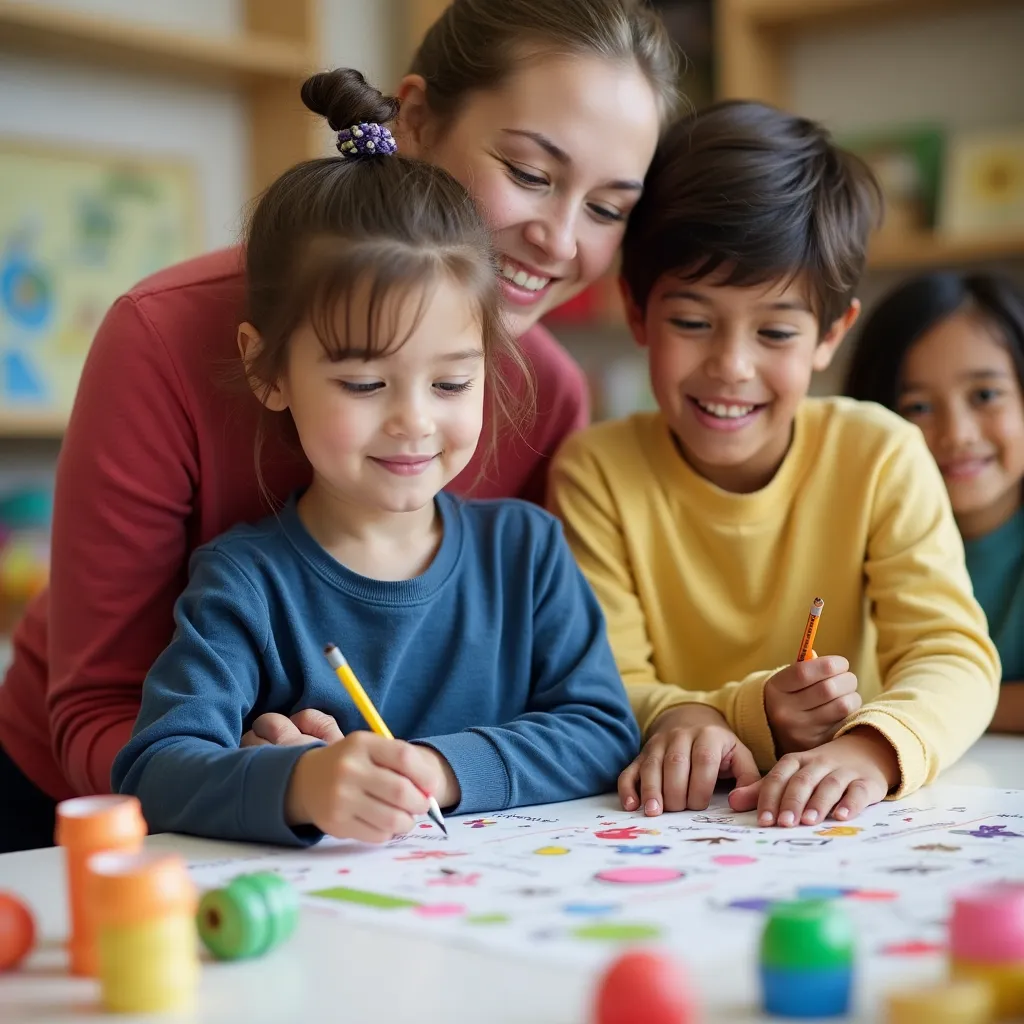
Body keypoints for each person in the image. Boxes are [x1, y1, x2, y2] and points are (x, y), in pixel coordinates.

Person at [0, 0, 676, 852]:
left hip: (396, 844)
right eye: (531, 173)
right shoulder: (162, 339)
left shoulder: (548, 396)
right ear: (418, 119)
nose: (560, 239)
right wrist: (259, 781)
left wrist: (424, 769)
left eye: (609, 209)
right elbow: (113, 718)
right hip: (87, 804)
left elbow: (565, 700)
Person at [548, 100, 1000, 829]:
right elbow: (603, 682)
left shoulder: (880, 453)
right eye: (691, 322)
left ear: (830, 336)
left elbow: (953, 656)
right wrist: (712, 715)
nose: (730, 366)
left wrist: (870, 751)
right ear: (636, 312)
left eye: (776, 331)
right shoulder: (596, 471)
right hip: (676, 826)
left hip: (836, 812)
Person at [845, 271, 1024, 734]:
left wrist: (936, 709)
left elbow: (869, 699)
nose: (957, 435)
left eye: (985, 395)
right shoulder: (846, 540)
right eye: (918, 407)